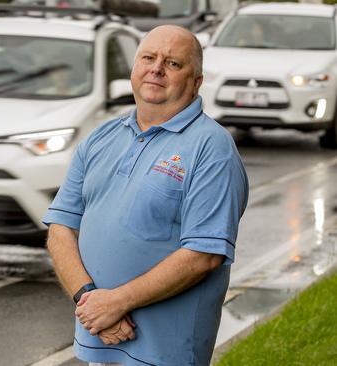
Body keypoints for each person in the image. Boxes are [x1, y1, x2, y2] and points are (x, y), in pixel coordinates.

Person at [42, 25, 249, 366]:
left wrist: (116, 303)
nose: (156, 68)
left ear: (196, 81)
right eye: (148, 58)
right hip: (101, 342)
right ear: (134, 68)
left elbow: (204, 254)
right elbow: (60, 228)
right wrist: (89, 300)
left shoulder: (212, 149)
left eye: (173, 63)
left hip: (166, 353)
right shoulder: (101, 138)